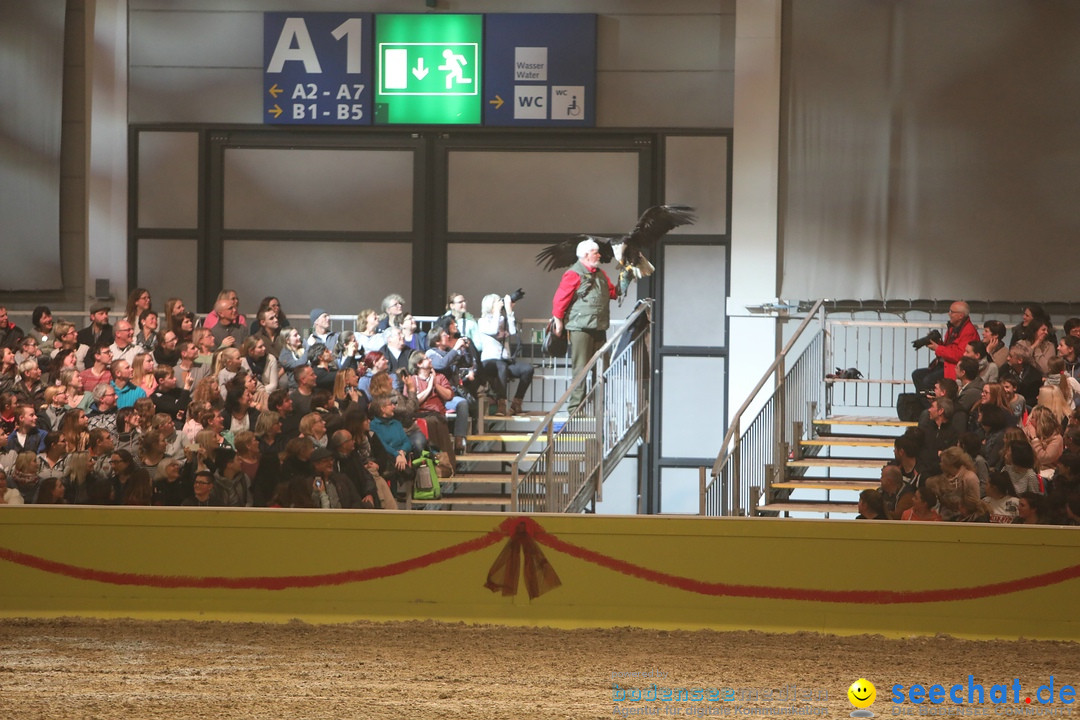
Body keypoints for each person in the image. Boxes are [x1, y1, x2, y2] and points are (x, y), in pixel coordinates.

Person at [551, 238, 619, 412]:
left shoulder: (600, 274)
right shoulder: (573, 273)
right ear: (586, 255)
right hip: (580, 327)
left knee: (602, 367)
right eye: (596, 252)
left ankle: (599, 406)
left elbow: (613, 292)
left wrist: (625, 280)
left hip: (598, 326)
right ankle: (575, 408)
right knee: (581, 368)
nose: (599, 255)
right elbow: (561, 298)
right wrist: (558, 320)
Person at [477, 292, 534, 417]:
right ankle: (501, 403)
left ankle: (516, 403)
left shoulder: (502, 319)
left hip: (504, 361)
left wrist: (509, 311)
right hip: (489, 361)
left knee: (527, 369)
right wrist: (497, 312)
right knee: (500, 366)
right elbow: (492, 330)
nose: (500, 304)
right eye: (497, 302)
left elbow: (513, 332)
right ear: (489, 305)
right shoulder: (482, 322)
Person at [911, 301, 978, 394]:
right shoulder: (953, 328)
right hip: (944, 364)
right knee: (917, 375)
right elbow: (949, 349)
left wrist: (938, 348)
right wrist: (937, 343)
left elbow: (960, 356)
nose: (949, 314)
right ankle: (926, 405)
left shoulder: (968, 331)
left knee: (928, 381)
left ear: (961, 316)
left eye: (952, 312)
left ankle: (933, 406)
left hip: (954, 367)